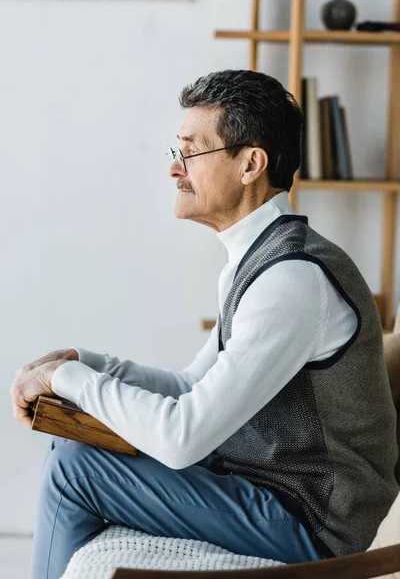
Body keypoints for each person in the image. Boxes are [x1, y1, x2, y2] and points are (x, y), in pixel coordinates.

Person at [10, 70, 399, 579]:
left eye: (191, 152)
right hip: (268, 493)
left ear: (250, 164)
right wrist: (86, 365)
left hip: (311, 522)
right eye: (176, 152)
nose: (175, 170)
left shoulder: (293, 281)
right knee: (72, 443)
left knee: (74, 467)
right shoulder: (259, 260)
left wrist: (66, 383)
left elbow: (182, 437)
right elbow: (193, 387)